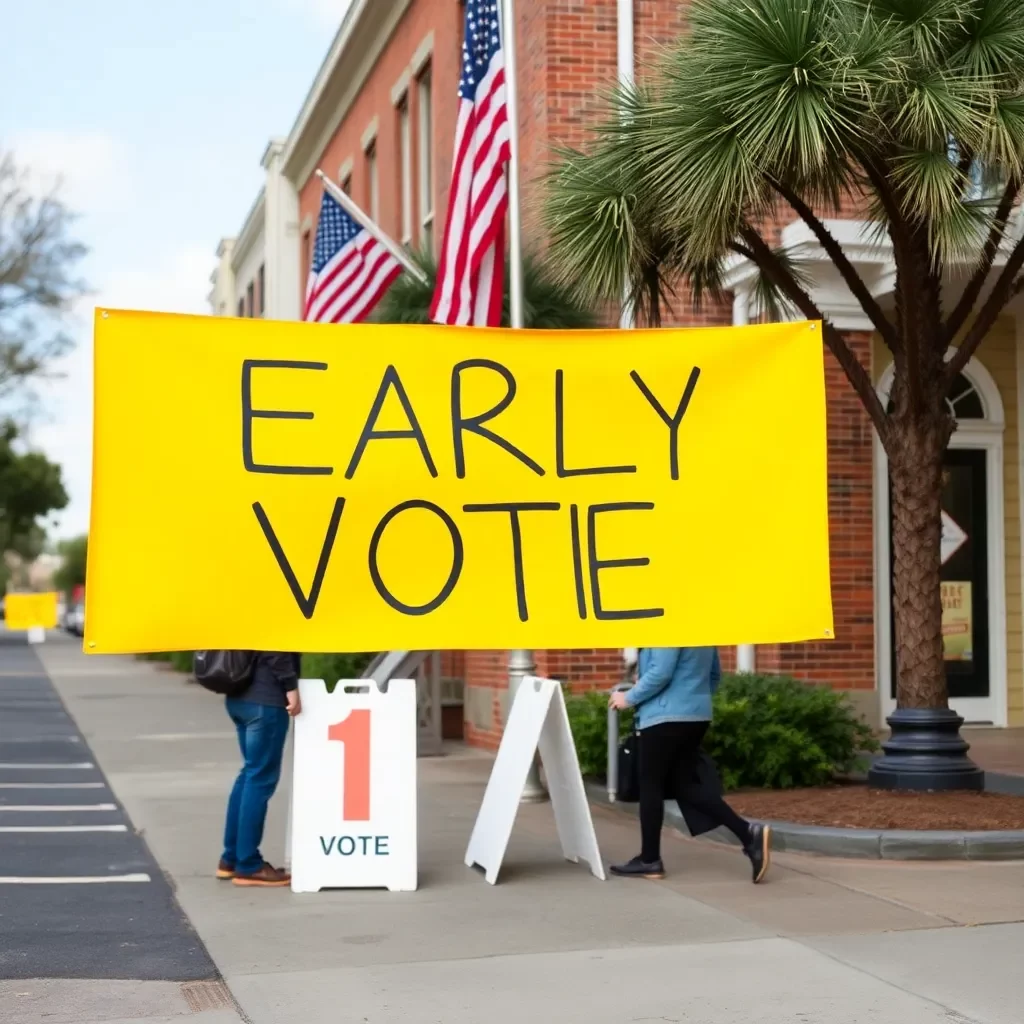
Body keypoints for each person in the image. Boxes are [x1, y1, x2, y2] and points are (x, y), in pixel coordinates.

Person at [608, 647, 770, 883]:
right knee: (685, 786)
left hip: (664, 717)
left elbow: (661, 673)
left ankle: (649, 859)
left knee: (650, 784)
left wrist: (629, 697)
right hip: (696, 715)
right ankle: (749, 835)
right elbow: (714, 676)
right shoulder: (699, 628)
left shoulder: (665, 624)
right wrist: (691, 697)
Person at [217, 652, 302, 887]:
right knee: (259, 779)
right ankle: (249, 865)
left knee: (250, 774)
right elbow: (274, 646)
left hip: (238, 695)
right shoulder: (274, 612)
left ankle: (231, 859)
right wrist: (290, 686)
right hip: (265, 698)